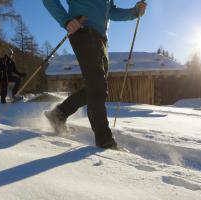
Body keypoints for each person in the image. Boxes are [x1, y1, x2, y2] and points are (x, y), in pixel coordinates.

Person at [43, 0, 147, 149]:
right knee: (97, 86)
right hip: (83, 29)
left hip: (102, 39)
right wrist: (65, 20)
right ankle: (104, 141)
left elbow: (111, 11)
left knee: (95, 86)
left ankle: (59, 114)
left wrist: (134, 12)